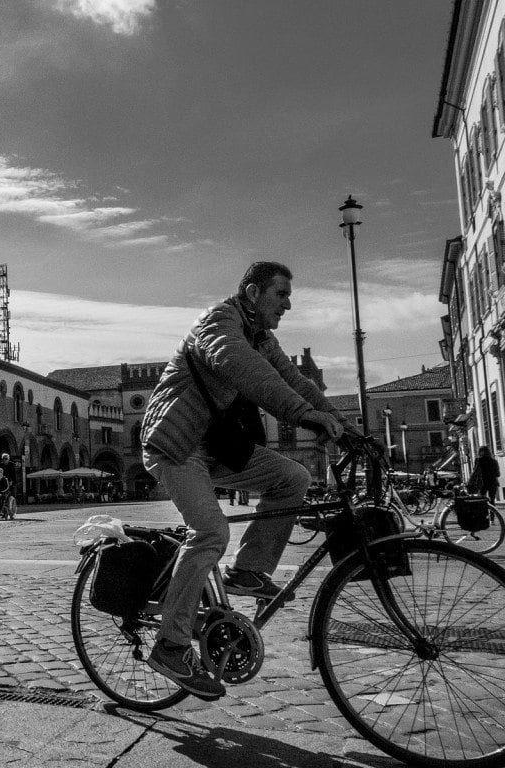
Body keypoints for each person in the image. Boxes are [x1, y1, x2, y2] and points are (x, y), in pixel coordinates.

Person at [140, 261, 351, 700]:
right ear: (254, 294)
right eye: (281, 296)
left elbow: (292, 379)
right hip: (176, 445)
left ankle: (249, 571)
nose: (288, 305)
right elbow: (248, 372)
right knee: (211, 532)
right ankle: (171, 645)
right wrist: (303, 415)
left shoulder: (262, 337)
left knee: (293, 477)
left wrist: (339, 422)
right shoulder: (218, 322)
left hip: (216, 449)